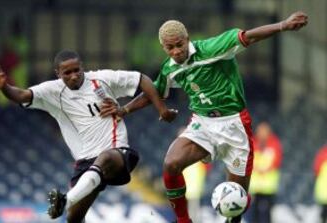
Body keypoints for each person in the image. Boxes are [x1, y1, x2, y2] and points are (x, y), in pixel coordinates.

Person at [100, 11, 308, 223]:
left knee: (236, 203)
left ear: (187, 38)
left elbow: (249, 36)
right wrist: (124, 110)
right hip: (203, 123)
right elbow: (153, 92)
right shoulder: (170, 68)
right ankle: (183, 221)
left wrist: (283, 25)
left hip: (234, 125)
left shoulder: (212, 48)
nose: (176, 51)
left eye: (179, 44)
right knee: (171, 164)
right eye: (170, 48)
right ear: (164, 47)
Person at [0, 50, 177, 223]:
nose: (74, 75)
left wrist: (161, 109)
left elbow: (142, 79)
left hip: (117, 152)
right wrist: (4, 88)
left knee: (107, 156)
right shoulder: (52, 91)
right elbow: (22, 95)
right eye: (67, 73)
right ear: (58, 74)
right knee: (74, 219)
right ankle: (67, 203)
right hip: (85, 161)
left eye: (77, 70)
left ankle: (65, 200)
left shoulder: (103, 79)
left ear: (83, 67)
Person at [249, 122, 282, 223]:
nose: (262, 133)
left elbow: (277, 161)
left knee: (267, 211)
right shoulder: (253, 143)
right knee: (254, 211)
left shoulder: (274, 144)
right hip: (255, 186)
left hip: (268, 186)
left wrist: (265, 169)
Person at [313, 143, 327, 223]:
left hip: (322, 191)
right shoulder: (322, 155)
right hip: (324, 191)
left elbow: (316, 170)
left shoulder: (321, 154)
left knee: (323, 214)